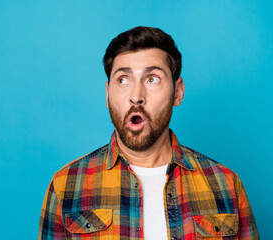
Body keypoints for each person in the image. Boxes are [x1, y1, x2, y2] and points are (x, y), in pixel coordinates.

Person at [38, 26, 259, 240]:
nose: (136, 96)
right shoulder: (66, 185)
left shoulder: (227, 185)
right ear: (107, 94)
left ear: (178, 92)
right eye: (123, 80)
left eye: (152, 79)